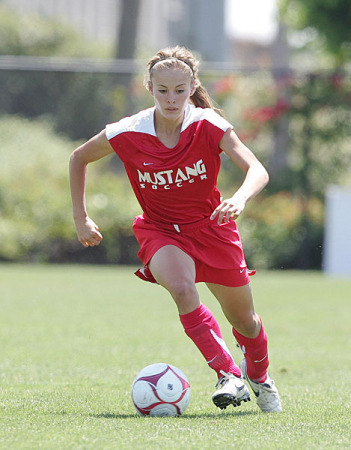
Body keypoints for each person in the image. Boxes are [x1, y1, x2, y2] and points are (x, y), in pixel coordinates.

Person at [69, 46, 282, 413]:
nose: (171, 98)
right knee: (183, 290)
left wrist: (240, 198)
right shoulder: (128, 131)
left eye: (180, 90)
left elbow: (257, 170)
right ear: (148, 86)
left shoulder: (208, 124)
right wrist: (80, 217)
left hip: (213, 229)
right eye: (162, 89)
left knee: (245, 323)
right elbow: (78, 157)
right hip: (161, 230)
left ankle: (259, 376)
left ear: (192, 86)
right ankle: (227, 374)